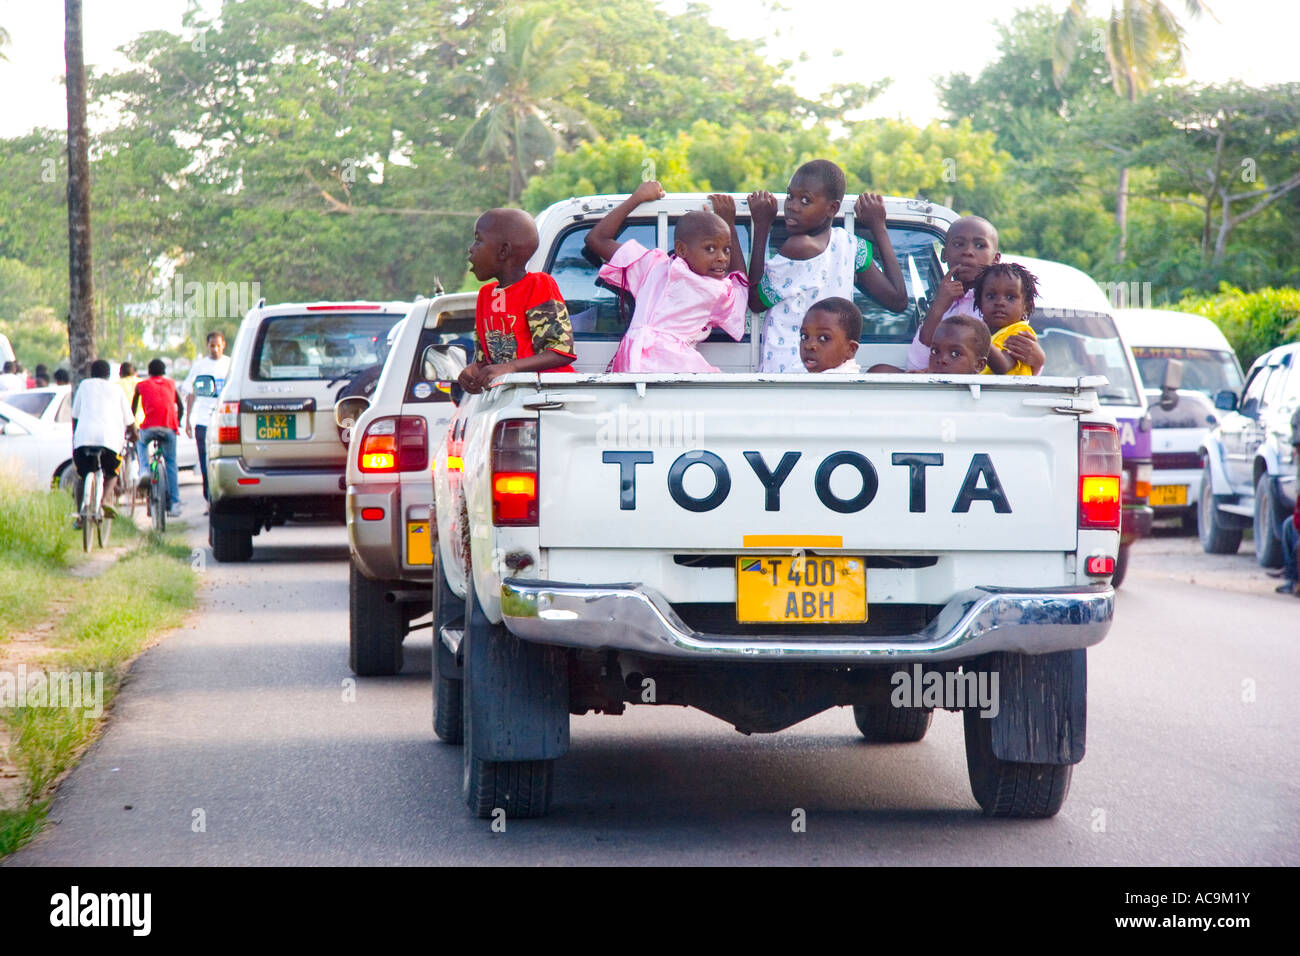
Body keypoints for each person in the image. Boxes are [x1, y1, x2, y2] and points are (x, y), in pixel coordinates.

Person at [748, 159, 908, 372]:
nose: (792, 207)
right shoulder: (850, 246)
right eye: (790, 196)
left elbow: (755, 301)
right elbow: (898, 300)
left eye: (805, 200)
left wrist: (761, 226)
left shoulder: (799, 246)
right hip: (833, 372)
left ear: (832, 208)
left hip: (789, 372)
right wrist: (879, 226)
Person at [584, 181, 747, 372]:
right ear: (681, 249)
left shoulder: (717, 290)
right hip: (647, 364)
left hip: (662, 367)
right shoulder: (653, 265)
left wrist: (729, 226)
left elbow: (741, 285)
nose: (722, 258)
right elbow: (596, 239)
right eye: (710, 248)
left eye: (727, 249)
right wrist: (637, 198)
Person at [457, 207, 575, 395]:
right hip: (507, 397)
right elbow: (485, 361)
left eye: (478, 240)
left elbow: (560, 351)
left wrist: (510, 367)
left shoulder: (538, 285)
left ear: (503, 250)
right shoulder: (485, 295)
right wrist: (473, 371)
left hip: (547, 395)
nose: (471, 248)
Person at [903, 216, 1043, 374]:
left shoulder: (998, 311)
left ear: (996, 258)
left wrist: (1037, 363)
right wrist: (938, 307)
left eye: (979, 245)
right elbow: (915, 363)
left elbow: (1010, 367)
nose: (968, 252)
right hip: (944, 386)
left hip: (979, 392)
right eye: (958, 244)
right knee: (880, 370)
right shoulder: (944, 301)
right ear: (944, 254)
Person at [70, 359, 135, 521]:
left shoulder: (84, 386)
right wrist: (135, 435)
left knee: (82, 476)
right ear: (109, 374)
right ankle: (106, 499)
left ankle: (80, 514)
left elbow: (75, 416)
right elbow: (130, 420)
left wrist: (75, 437)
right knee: (112, 472)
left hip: (83, 439)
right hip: (109, 440)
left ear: (91, 373)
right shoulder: (117, 389)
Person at [181, 331, 231, 502]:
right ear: (207, 346)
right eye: (212, 346)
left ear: (223, 345)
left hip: (225, 422)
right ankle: (209, 499)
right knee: (205, 463)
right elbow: (191, 394)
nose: (215, 349)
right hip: (203, 422)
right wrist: (187, 420)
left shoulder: (231, 365)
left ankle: (225, 497)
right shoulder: (200, 366)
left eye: (218, 345)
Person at [971, 262, 1044, 375]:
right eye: (991, 296)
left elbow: (1003, 366)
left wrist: (981, 336)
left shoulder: (1020, 332)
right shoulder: (988, 334)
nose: (999, 302)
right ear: (980, 303)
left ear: (1026, 307)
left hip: (1010, 393)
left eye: (1010, 297)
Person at [132, 358, 184, 517]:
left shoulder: (141, 385)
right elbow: (180, 407)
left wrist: (132, 426)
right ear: (164, 372)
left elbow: (132, 410)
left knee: (140, 443)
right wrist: (178, 422)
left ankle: (145, 470)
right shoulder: (171, 384)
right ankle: (175, 504)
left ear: (149, 372)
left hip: (148, 428)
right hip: (169, 428)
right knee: (171, 463)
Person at [868, 312, 991, 375]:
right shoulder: (926, 388)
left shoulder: (985, 400)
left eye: (955, 353)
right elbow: (878, 371)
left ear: (979, 365)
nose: (941, 360)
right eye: (935, 351)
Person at [798, 297, 863, 374]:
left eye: (824, 338)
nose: (809, 346)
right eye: (804, 336)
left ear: (850, 349)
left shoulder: (843, 383)